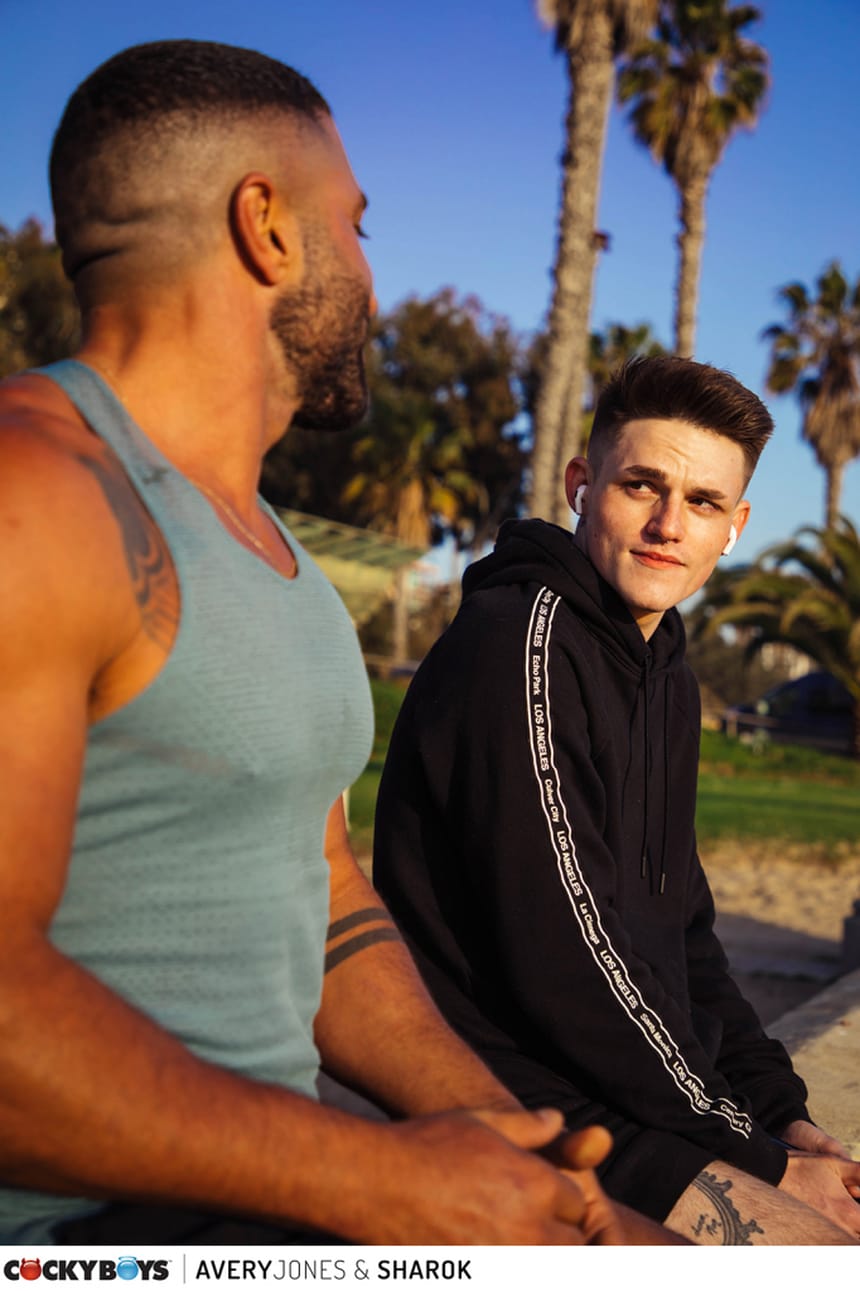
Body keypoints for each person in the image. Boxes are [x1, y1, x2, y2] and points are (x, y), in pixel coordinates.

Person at [0, 39, 674, 1247]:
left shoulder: (278, 560)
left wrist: (513, 1150)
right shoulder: (35, 493)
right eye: (355, 227)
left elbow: (319, 895)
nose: (369, 277)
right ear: (264, 226)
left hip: (270, 1209)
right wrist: (376, 1180)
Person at [374, 354, 860, 1245]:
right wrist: (757, 1157)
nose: (669, 524)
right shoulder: (517, 645)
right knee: (820, 1255)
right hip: (509, 1098)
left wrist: (784, 1115)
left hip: (624, 1093)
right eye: (643, 486)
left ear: (735, 527)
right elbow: (574, 962)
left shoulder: (667, 673)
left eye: (703, 502)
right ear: (581, 484)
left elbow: (685, 938)